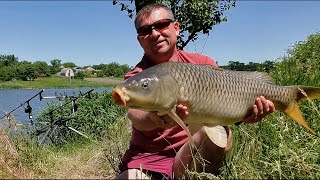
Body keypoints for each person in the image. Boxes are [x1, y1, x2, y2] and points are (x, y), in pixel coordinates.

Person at [116, 3, 275, 179]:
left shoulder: (202, 63)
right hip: (147, 162)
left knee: (222, 134)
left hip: (189, 155)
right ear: (140, 40)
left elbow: (225, 107)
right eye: (145, 30)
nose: (154, 34)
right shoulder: (137, 76)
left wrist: (246, 114)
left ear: (176, 28)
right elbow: (136, 116)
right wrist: (154, 118)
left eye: (161, 25)